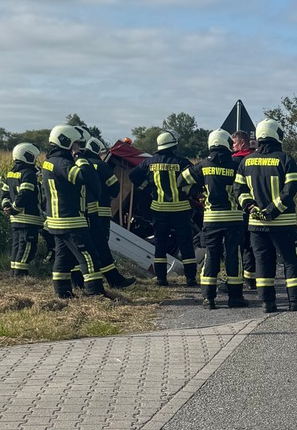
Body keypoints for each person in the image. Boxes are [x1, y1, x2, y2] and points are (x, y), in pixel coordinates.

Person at [233, 119, 297, 312]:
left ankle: (267, 302)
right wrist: (273, 210)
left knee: (263, 261)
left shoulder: (246, 161)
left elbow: (238, 190)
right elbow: (291, 189)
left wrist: (251, 207)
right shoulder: (285, 159)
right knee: (293, 259)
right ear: (276, 135)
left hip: (256, 224)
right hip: (282, 222)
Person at [182, 129, 249, 309]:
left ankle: (208, 298)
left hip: (211, 219)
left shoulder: (203, 165)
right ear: (226, 143)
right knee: (233, 256)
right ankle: (235, 297)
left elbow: (181, 181)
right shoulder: (236, 165)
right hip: (234, 218)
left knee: (211, 255)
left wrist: (196, 194)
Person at [41, 125, 105, 298]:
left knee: (63, 259)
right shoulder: (62, 163)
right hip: (71, 221)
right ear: (66, 141)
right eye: (75, 143)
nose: (78, 146)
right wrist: (80, 157)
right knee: (89, 257)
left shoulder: (50, 162)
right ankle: (95, 293)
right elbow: (84, 177)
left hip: (56, 221)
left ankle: (62, 293)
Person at [130, 130, 198, 287]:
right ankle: (190, 278)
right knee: (186, 244)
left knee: (160, 244)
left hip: (159, 210)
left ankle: (161, 278)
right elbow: (194, 180)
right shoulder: (183, 163)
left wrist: (148, 189)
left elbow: (134, 176)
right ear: (173, 146)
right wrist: (187, 193)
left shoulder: (149, 162)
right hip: (181, 210)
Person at [79, 137, 136, 288]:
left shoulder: (76, 164)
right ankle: (113, 280)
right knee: (101, 245)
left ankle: (82, 280)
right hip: (102, 212)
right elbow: (115, 188)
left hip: (82, 213)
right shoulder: (102, 166)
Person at [1, 142, 44, 276]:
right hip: (28, 218)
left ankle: (14, 272)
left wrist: (6, 206)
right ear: (27, 156)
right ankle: (20, 273)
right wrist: (14, 208)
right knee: (27, 246)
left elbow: (4, 193)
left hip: (15, 219)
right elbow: (25, 193)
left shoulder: (11, 174)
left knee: (17, 245)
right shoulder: (28, 174)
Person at [231, 130, 256, 289]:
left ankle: (237, 279)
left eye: (234, 143)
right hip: (252, 207)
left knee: (237, 246)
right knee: (250, 244)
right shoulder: (255, 159)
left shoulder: (234, 161)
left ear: (241, 143)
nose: (232, 146)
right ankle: (251, 278)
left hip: (237, 208)